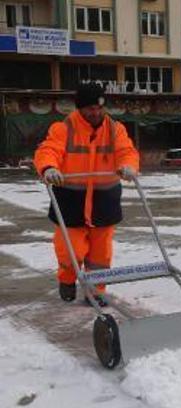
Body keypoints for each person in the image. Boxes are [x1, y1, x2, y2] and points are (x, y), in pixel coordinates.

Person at [34, 83, 140, 305]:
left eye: (100, 107)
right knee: (70, 251)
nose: (96, 113)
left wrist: (129, 166)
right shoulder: (63, 128)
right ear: (80, 108)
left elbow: (126, 151)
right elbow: (48, 150)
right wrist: (49, 168)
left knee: (100, 255)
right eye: (91, 108)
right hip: (71, 201)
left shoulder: (115, 129)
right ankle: (67, 279)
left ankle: (96, 292)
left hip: (104, 201)